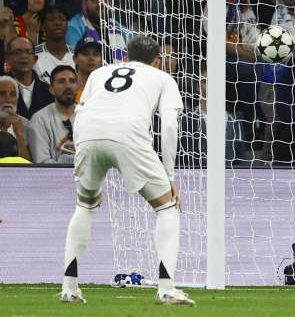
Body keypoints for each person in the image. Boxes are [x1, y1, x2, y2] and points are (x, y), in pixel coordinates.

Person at [60, 35, 193, 305]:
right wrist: (169, 177)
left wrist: (84, 151)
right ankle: (166, 288)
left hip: (88, 136)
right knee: (167, 207)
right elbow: (169, 125)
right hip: (129, 136)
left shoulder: (98, 74)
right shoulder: (163, 78)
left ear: (126, 57)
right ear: (157, 61)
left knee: (84, 206)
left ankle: (69, 287)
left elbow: (80, 112)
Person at [28, 65, 77, 164]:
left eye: (72, 81)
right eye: (61, 81)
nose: (68, 86)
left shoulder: (87, 115)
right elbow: (42, 162)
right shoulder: (40, 119)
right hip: (55, 174)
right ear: (51, 90)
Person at [6, 36, 54, 119]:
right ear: (7, 59)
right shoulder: (2, 87)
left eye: (28, 52)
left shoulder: (49, 92)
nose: (23, 56)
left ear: (35, 59)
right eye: (17, 52)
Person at [34, 6, 75, 83]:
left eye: (62, 19)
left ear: (67, 25)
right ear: (42, 26)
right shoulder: (33, 55)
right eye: (51, 20)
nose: (57, 23)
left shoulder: (78, 55)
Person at [0, 75, 32, 160]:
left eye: (12, 95)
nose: (8, 100)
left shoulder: (27, 126)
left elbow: (26, 164)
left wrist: (18, 133)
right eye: (2, 94)